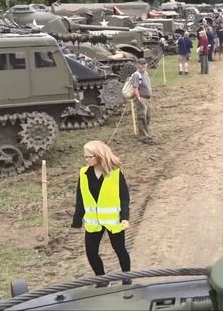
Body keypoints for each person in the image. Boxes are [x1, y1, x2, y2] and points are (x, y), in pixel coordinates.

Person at [71, 140, 131, 286]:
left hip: (113, 221)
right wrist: (77, 219)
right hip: (93, 222)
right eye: (85, 157)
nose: (87, 159)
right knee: (91, 253)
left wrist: (124, 217)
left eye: (89, 156)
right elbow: (81, 198)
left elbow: (124, 197)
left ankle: (127, 275)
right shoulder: (83, 173)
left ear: (99, 156)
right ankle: (102, 279)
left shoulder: (115, 173)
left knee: (120, 249)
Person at [131, 58, 153, 144]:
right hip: (142, 99)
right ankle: (143, 136)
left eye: (144, 64)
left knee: (148, 117)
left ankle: (146, 133)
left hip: (148, 99)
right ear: (137, 64)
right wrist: (139, 98)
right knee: (141, 117)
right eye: (141, 64)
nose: (143, 65)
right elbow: (135, 88)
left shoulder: (145, 73)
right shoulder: (136, 75)